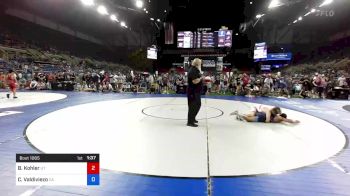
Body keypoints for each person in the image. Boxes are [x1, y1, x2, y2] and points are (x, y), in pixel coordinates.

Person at [187, 58, 203, 127]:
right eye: (200, 63)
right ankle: (190, 122)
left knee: (198, 104)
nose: (201, 64)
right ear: (197, 63)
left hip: (196, 91)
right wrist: (201, 78)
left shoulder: (196, 69)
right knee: (192, 106)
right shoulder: (193, 70)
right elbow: (194, 81)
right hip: (192, 92)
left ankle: (192, 118)